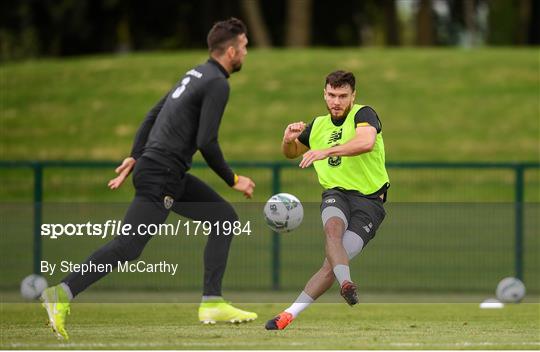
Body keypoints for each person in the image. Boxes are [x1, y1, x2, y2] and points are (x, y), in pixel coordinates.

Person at [41, 18, 258, 340]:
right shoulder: (217, 83)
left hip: (163, 170)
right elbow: (207, 140)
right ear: (230, 51)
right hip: (162, 175)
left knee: (223, 218)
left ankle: (212, 302)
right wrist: (232, 178)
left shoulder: (195, 73)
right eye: (243, 48)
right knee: (128, 245)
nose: (245, 54)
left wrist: (135, 153)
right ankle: (62, 292)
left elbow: (152, 114)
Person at [265, 70, 389, 330]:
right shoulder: (317, 125)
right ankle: (341, 288)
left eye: (343, 96)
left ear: (353, 96)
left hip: (370, 203)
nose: (336, 101)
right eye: (332, 95)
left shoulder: (364, 115)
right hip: (337, 195)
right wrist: (287, 139)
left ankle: (299, 306)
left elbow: (365, 143)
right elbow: (291, 153)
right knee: (332, 231)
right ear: (324, 93)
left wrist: (326, 151)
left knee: (331, 264)